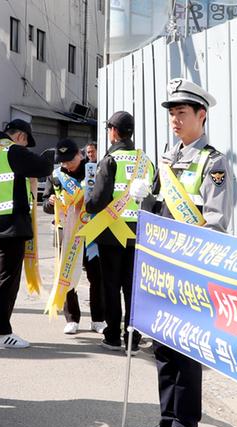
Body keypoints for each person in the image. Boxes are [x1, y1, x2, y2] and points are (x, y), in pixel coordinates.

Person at [134, 78, 235, 427]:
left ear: (201, 115)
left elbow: (214, 221)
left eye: (181, 113)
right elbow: (160, 207)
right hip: (162, 268)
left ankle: (186, 423)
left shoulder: (213, 161)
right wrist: (143, 201)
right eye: (172, 114)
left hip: (189, 270)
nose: (174, 120)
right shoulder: (168, 156)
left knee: (185, 348)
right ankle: (166, 418)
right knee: (162, 344)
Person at [0, 119, 54, 348]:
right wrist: (50, 155)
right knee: (7, 278)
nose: (25, 145)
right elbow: (43, 168)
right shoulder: (10, 150)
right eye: (26, 141)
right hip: (11, 224)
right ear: (19, 136)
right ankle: (1, 332)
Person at [86, 111, 155, 351]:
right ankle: (133, 339)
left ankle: (113, 336)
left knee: (111, 285)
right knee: (132, 285)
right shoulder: (145, 160)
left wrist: (87, 206)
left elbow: (99, 198)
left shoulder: (110, 160)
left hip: (112, 231)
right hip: (139, 231)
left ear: (114, 131)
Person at [43, 138, 106, 335]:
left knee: (97, 276)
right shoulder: (56, 176)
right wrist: (50, 202)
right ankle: (72, 318)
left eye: (70, 160)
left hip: (92, 231)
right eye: (63, 161)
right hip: (67, 231)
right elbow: (45, 203)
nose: (67, 165)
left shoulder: (93, 172)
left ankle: (98, 319)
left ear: (80, 155)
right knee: (67, 273)